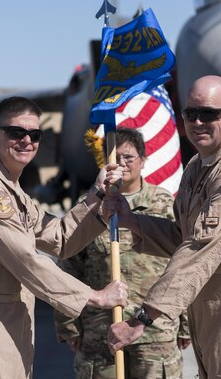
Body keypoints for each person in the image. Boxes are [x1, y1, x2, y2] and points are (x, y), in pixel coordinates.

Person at [104, 76, 221, 378]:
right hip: (213, 311)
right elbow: (184, 236)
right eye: (191, 114)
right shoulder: (198, 167)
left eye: (209, 113)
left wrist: (142, 318)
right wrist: (132, 221)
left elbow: (200, 248)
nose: (198, 122)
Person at [0, 96, 128, 379]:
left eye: (35, 134)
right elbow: (27, 262)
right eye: (17, 132)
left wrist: (97, 199)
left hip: (8, 324)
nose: (27, 140)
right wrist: (95, 297)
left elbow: (60, 239)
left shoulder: (13, 192)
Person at [54, 127, 191, 378]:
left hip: (155, 329)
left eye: (128, 157)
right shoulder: (90, 205)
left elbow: (182, 265)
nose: (122, 164)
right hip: (100, 330)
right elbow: (69, 267)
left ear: (143, 160)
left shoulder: (164, 204)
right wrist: (68, 325)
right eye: (115, 158)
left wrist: (186, 324)